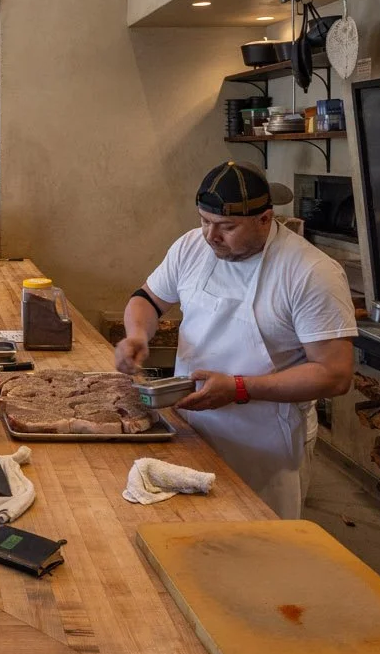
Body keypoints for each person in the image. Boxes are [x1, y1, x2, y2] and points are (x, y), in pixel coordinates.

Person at [114, 162, 357, 518]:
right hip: (191, 427)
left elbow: (335, 375)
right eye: (204, 221)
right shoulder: (191, 247)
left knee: (259, 552)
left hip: (264, 442)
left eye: (227, 227)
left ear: (265, 218)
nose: (211, 236)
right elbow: (147, 299)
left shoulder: (310, 272)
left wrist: (239, 388)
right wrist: (137, 334)